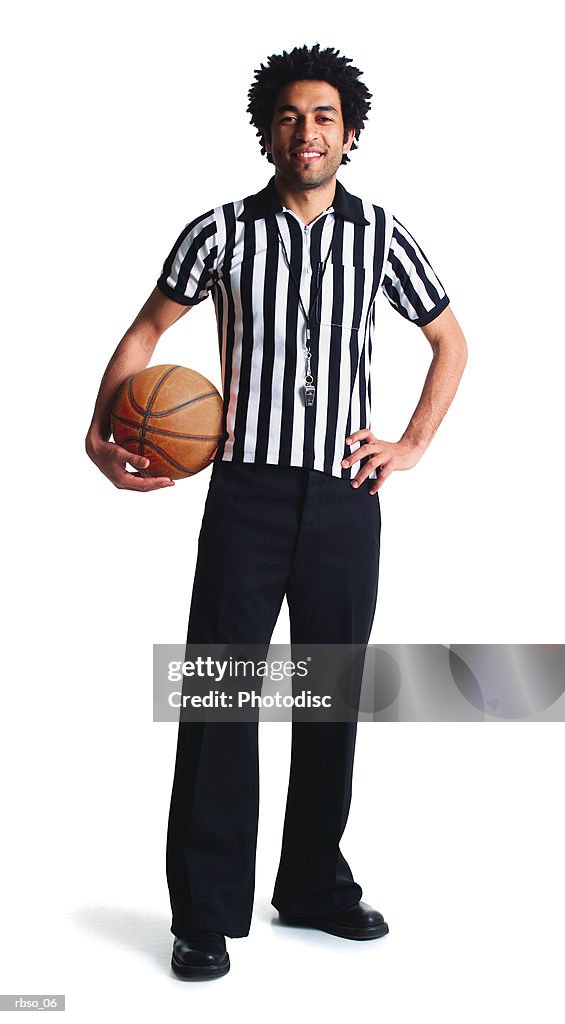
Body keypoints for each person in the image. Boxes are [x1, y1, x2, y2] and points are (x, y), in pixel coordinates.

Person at [85, 43, 467, 980]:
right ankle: (203, 913)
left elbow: (449, 342)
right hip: (245, 492)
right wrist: (97, 437)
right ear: (267, 129)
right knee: (221, 698)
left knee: (327, 694)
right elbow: (146, 331)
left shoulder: (381, 233)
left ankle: (311, 885)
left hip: (345, 494)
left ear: (349, 133)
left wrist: (409, 445)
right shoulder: (218, 231)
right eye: (292, 116)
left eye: (326, 117)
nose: (309, 132)